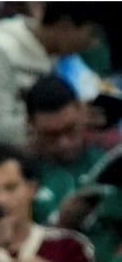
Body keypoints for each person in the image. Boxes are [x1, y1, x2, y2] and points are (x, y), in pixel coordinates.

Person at [0, 2, 109, 148]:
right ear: (66, 25)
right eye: (92, 34)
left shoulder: (62, 57)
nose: (94, 43)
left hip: (53, 155)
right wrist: (64, 123)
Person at [23, 74, 108, 222]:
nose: (64, 142)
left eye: (71, 129)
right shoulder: (18, 176)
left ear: (81, 110)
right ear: (31, 124)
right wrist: (61, 223)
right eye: (51, 135)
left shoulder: (109, 155)